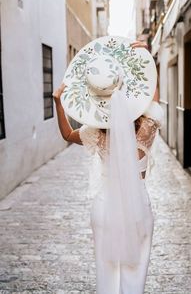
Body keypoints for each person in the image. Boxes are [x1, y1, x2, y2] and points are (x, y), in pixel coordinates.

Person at [52, 39, 164, 294]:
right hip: (137, 207)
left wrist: (59, 102)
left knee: (106, 271)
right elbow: (151, 91)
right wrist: (145, 58)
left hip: (105, 208)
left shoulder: (97, 132)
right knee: (135, 272)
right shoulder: (148, 127)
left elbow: (67, 134)